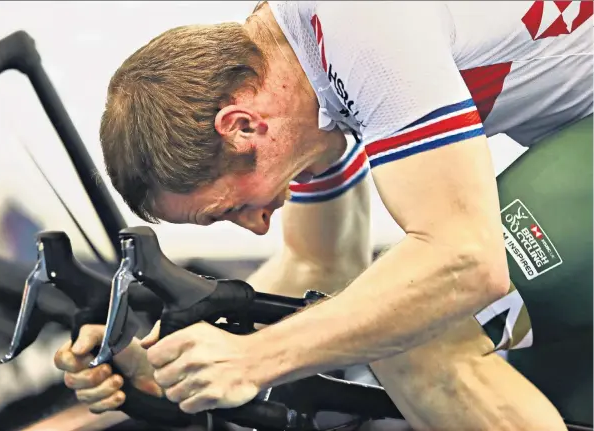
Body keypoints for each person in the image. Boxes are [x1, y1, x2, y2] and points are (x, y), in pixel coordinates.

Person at [54, 1, 593, 430]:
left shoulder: (360, 28)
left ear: (242, 127)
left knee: (421, 338)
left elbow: (468, 261)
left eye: (233, 207)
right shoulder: (296, 78)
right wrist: (156, 362)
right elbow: (321, 264)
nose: (258, 225)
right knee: (523, 378)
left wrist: (252, 360)